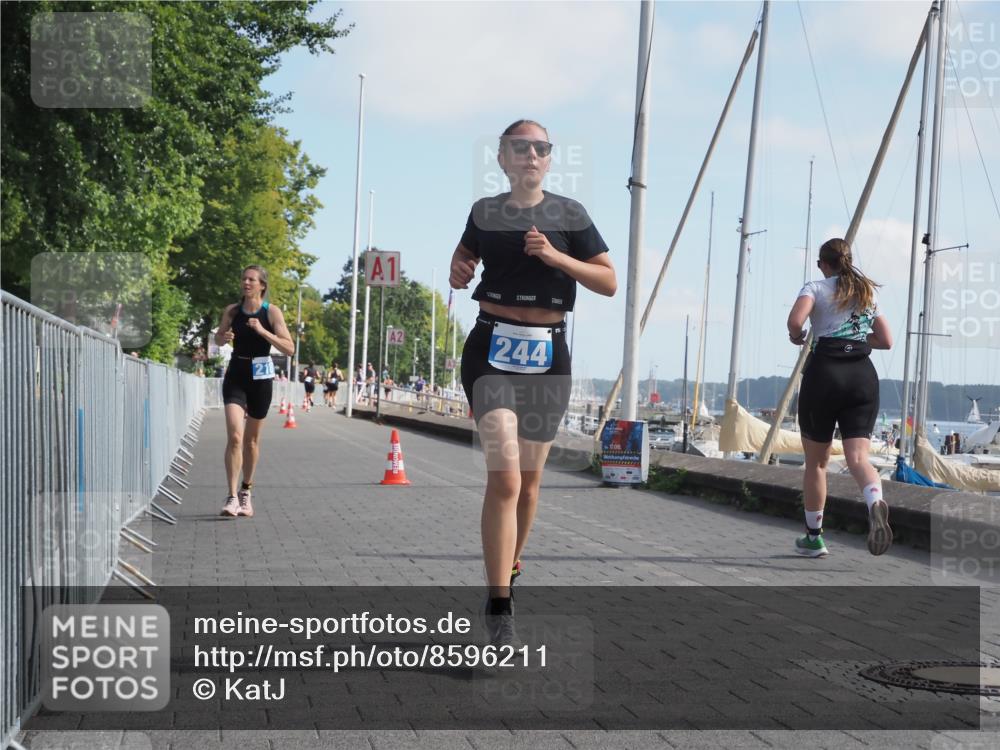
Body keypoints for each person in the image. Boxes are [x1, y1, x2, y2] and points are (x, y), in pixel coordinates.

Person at [450, 119, 617, 645]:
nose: (531, 155)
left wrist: (555, 256)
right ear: (502, 157)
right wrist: (457, 269)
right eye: (520, 148)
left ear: (549, 158)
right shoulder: (484, 212)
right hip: (491, 351)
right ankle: (499, 608)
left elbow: (608, 281)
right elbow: (464, 261)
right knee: (505, 479)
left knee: (530, 483)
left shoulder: (571, 215)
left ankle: (511, 570)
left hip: (547, 356)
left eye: (541, 148)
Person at [788, 238, 893, 557]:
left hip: (825, 373)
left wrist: (797, 336)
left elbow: (795, 321)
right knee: (858, 457)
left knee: (816, 463)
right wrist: (857, 340)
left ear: (824, 264)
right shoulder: (865, 293)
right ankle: (875, 500)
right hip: (862, 375)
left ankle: (813, 538)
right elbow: (886, 340)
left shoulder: (815, 288)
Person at [216, 265, 295, 518]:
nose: (246, 283)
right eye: (244, 279)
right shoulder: (231, 311)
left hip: (261, 378)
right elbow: (218, 338)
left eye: (252, 279)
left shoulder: (271, 312)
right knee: (235, 436)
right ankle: (230, 497)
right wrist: (223, 336)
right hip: (236, 374)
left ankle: (246, 491)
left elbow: (289, 348)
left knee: (251, 441)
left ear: (262, 285)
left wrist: (263, 331)